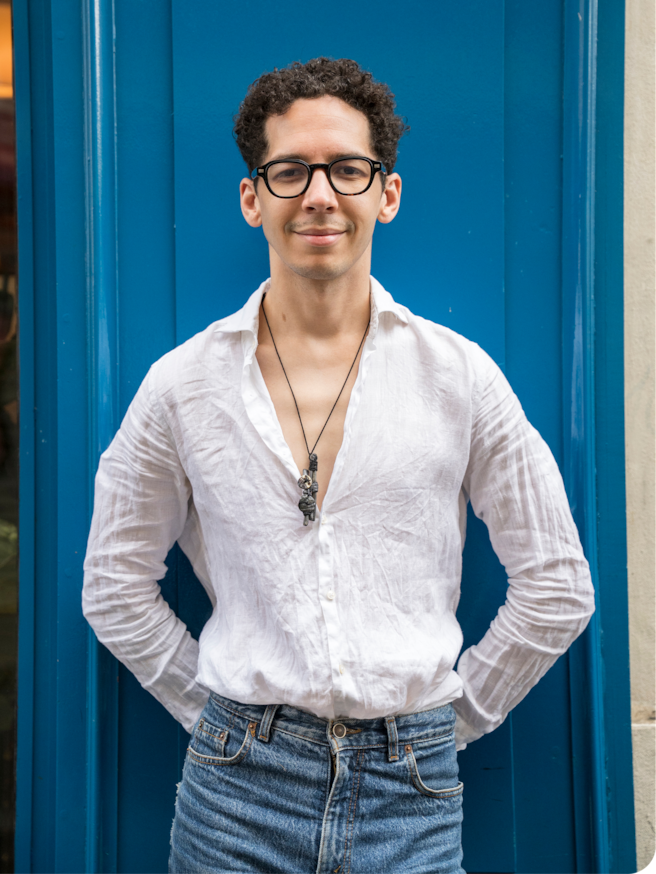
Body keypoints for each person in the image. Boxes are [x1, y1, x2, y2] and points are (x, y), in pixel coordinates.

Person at [82, 57, 595, 874]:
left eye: (347, 169)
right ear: (253, 198)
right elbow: (112, 582)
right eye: (290, 171)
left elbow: (559, 586)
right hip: (231, 804)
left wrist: (444, 723)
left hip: (413, 800)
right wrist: (216, 712)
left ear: (385, 193)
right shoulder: (180, 386)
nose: (319, 194)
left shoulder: (458, 376)